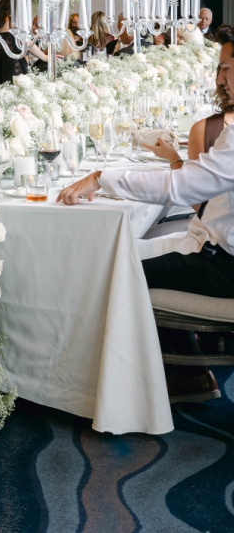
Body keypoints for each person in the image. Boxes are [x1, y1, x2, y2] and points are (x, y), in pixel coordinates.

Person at [61, 39, 234, 399]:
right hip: (216, 251)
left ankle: (119, 384)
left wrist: (102, 177)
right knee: (132, 249)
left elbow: (182, 188)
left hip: (223, 267)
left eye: (227, 68)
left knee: (113, 265)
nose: (221, 79)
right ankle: (184, 367)